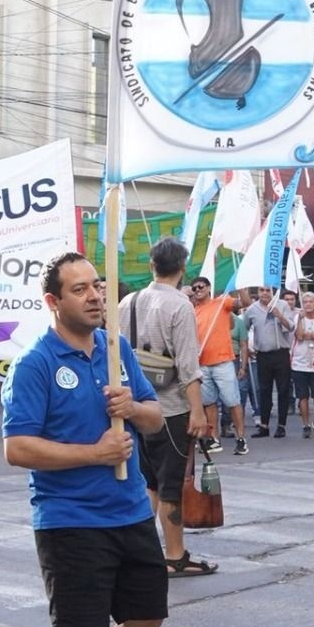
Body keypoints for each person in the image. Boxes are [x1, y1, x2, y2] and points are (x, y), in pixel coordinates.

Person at [2, 252, 168, 627]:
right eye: (79, 289)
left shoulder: (117, 348)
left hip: (132, 511)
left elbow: (155, 418)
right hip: (71, 521)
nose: (94, 296)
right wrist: (96, 454)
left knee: (147, 616)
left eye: (97, 285)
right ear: (53, 303)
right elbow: (18, 449)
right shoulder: (34, 363)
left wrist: (133, 407)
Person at [118, 237, 215, 578]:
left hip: (134, 405)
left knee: (147, 483)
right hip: (171, 408)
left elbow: (117, 353)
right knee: (171, 483)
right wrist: (199, 412)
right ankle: (174, 555)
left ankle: (141, 551)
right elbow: (188, 365)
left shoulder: (127, 302)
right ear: (182, 268)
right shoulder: (179, 306)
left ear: (151, 265)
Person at [188, 277, 247, 456]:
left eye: (201, 286)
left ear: (208, 288)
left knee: (232, 401)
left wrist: (242, 286)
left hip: (223, 362)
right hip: (203, 364)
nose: (197, 290)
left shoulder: (221, 303)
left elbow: (244, 303)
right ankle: (214, 439)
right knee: (209, 403)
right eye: (194, 288)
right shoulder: (192, 312)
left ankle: (241, 438)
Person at [244, 286, 295, 438]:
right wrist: (246, 347)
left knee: (283, 390)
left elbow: (291, 326)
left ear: (273, 292)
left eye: (268, 290)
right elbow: (244, 329)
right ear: (258, 292)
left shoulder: (282, 305)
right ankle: (264, 425)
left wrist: (279, 316)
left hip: (281, 353)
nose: (265, 293)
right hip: (263, 355)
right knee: (264, 390)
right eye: (261, 290)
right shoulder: (252, 309)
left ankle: (281, 425)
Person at [291, 292, 314, 438]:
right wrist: (300, 320)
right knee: (303, 396)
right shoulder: (297, 317)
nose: (307, 304)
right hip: (299, 363)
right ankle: (305, 424)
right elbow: (300, 336)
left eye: (310, 301)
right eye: (305, 302)